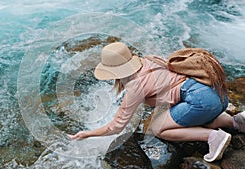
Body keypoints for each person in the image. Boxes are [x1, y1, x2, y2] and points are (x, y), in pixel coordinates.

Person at [67, 42, 245, 162]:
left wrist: (87, 134)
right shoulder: (150, 59)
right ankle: (235, 122)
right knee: (188, 114)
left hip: (201, 102)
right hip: (216, 93)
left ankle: (214, 137)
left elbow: (116, 127)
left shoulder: (135, 86)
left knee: (157, 129)